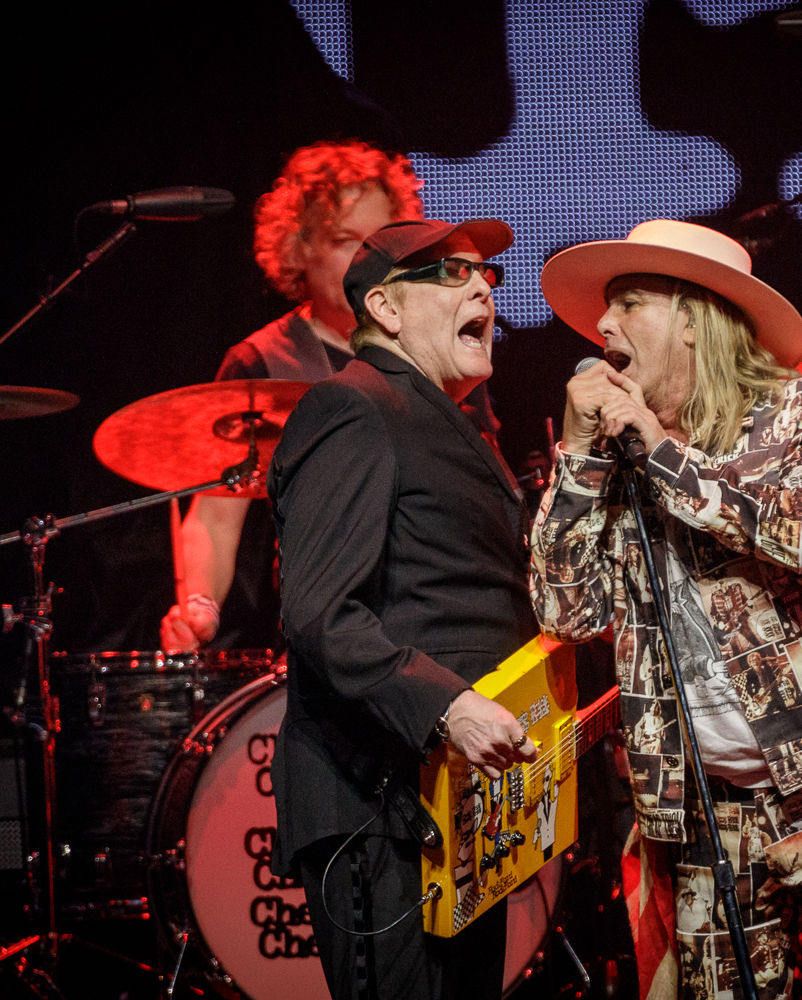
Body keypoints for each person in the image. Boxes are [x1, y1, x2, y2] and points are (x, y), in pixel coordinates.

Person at [529, 220, 802, 999]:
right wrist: (580, 460)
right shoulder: (610, 455)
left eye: (630, 304)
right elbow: (567, 610)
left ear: (693, 317)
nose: (603, 328)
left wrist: (660, 451)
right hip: (700, 803)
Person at [266, 217, 540, 1000]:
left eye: (487, 273)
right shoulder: (353, 407)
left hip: (451, 802)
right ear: (386, 308)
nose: (485, 285)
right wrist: (449, 706)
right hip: (377, 808)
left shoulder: (442, 419)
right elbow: (321, 613)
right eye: (456, 274)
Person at [160, 140, 424, 651]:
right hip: (331, 632)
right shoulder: (262, 364)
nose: (366, 261)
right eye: (346, 241)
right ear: (301, 248)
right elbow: (215, 516)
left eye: (380, 243)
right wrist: (200, 609)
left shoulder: (435, 347)